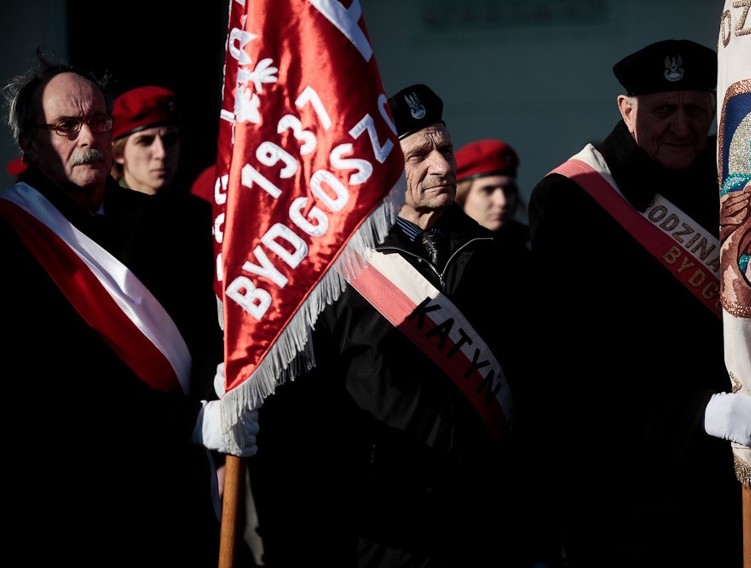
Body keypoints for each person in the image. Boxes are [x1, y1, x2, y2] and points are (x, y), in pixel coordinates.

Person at [247, 83, 559, 567]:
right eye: (420, 155)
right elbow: (298, 426)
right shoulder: (336, 276)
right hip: (385, 533)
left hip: (487, 530)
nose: (442, 166)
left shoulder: (500, 261)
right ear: (383, 167)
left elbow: (538, 397)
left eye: (446, 149)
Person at [527, 39, 751, 567]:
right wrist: (696, 410)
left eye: (695, 110)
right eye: (663, 110)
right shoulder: (573, 196)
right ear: (626, 110)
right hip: (626, 492)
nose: (681, 126)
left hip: (729, 483)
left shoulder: (731, 186)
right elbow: (570, 360)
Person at [0, 53, 258, 566]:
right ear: (29, 142)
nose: (87, 138)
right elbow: (51, 383)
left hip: (177, 491)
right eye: (66, 127)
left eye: (98, 121)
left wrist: (229, 392)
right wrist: (190, 421)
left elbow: (210, 334)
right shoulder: (13, 235)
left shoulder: (178, 223)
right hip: (78, 497)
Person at [454, 138, 530, 257]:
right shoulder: (440, 250)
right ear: (461, 196)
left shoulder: (532, 246)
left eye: (508, 190)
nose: (502, 202)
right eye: (488, 190)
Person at [110, 84, 181, 196]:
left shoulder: (201, 211)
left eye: (170, 140)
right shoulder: (101, 211)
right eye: (145, 141)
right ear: (118, 153)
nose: (161, 153)